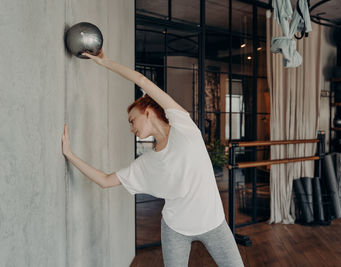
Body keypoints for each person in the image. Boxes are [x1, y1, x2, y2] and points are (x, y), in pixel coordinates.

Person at [61, 49, 244, 267]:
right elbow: (105, 181)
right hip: (175, 229)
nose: (131, 128)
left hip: (213, 223)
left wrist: (107, 62)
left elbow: (141, 80)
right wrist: (70, 155)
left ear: (147, 111)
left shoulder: (184, 129)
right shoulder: (147, 162)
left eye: (132, 120)